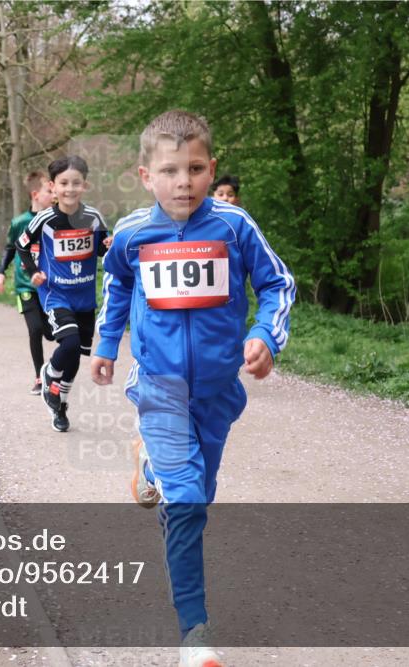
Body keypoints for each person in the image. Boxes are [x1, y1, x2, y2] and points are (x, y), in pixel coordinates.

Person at [91, 110, 295, 667]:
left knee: (197, 495)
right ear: (145, 176)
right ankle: (194, 633)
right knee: (186, 504)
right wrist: (106, 343)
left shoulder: (234, 226)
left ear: (212, 168)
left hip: (217, 390)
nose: (183, 182)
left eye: (196, 169)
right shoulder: (132, 233)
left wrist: (265, 336)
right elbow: (117, 284)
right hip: (158, 386)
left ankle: (152, 466)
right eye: (170, 171)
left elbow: (277, 283)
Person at [15, 155, 109, 432]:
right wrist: (33, 271)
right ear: (52, 187)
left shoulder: (93, 217)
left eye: (76, 183)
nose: (70, 189)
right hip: (55, 293)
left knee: (75, 355)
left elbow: (101, 249)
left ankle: (60, 404)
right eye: (64, 183)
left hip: (84, 296)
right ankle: (49, 373)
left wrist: (109, 244)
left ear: (85, 185)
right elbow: (21, 245)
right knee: (68, 344)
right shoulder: (44, 219)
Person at [0, 170, 56, 394]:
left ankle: (54, 369)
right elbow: (10, 248)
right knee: (35, 329)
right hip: (26, 286)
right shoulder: (20, 222)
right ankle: (40, 377)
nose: (54, 195)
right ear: (35, 195)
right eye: (49, 191)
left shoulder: (56, 221)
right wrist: (1, 272)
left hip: (51, 286)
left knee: (52, 333)